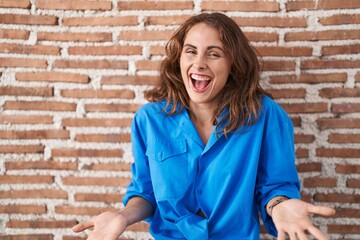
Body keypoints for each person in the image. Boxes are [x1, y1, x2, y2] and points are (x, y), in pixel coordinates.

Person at [72, 12, 335, 240]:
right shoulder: (149, 120)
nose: (199, 63)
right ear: (179, 59)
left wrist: (280, 205)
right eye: (191, 51)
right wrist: (123, 216)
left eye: (214, 53)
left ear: (232, 65)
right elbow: (146, 193)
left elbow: (275, 186)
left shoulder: (264, 115)